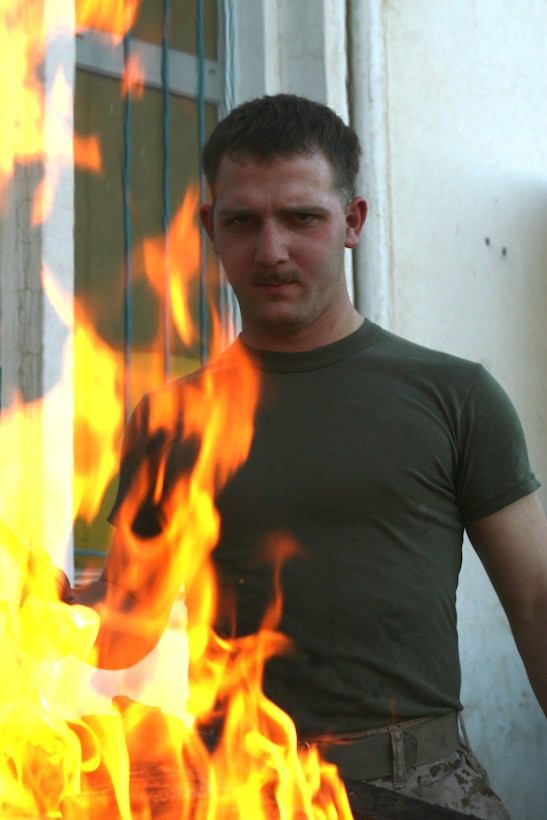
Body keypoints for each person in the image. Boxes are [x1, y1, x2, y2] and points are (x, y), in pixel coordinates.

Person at [66, 94, 547, 817]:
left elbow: (537, 604)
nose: (271, 251)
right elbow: (121, 641)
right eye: (242, 222)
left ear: (351, 222)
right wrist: (40, 601)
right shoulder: (167, 420)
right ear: (209, 230)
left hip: (419, 787)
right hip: (233, 790)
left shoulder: (457, 396)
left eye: (301, 218)